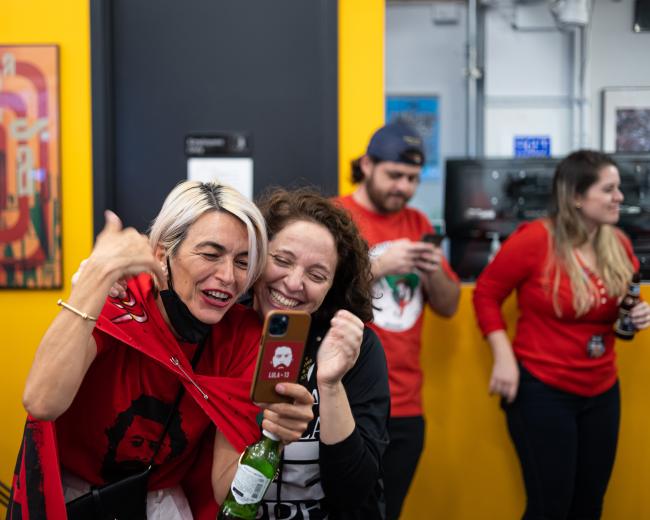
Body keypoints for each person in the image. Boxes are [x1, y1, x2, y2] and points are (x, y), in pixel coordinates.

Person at [10, 181, 313, 519]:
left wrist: (271, 440)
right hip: (74, 492)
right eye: (211, 254)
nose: (228, 276)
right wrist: (94, 279)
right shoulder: (119, 298)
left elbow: (224, 491)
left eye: (242, 262)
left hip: (159, 498)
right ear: (161, 254)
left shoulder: (241, 338)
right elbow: (41, 402)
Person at [473, 150, 650, 520]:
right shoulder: (535, 240)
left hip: (602, 391)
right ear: (576, 196)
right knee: (550, 507)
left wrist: (633, 316)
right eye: (609, 189)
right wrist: (503, 356)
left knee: (589, 506)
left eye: (619, 188)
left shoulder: (618, 245)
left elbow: (619, 318)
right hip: (543, 391)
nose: (620, 197)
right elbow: (486, 293)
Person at [336, 122, 460, 519]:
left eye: (412, 179)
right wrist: (378, 264)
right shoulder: (334, 216)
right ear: (368, 165)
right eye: (394, 175)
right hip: (348, 398)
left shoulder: (418, 223)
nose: (403, 188)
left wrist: (434, 270)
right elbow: (311, 295)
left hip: (405, 403)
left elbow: (449, 304)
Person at [251, 188, 391, 519]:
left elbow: (354, 494)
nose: (294, 282)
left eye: (317, 275)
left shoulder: (357, 350)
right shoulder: (220, 329)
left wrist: (330, 385)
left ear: (332, 287)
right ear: (256, 255)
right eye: (282, 260)